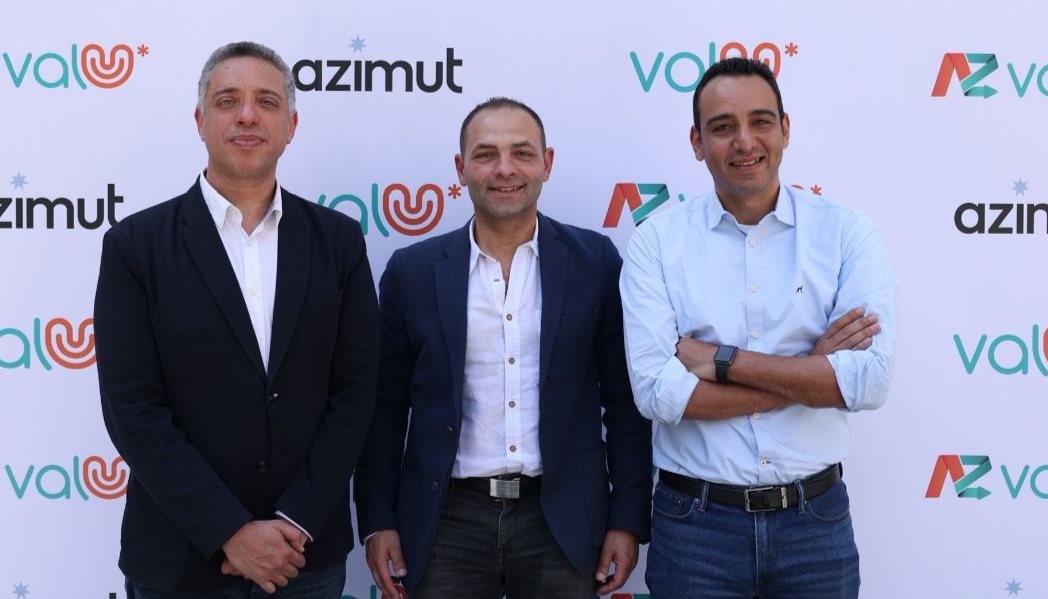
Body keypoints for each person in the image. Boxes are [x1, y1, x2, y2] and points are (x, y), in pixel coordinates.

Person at [94, 41, 379, 597]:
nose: (247, 115)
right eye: (228, 100)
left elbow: (356, 392)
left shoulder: (338, 241)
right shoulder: (135, 246)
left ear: (291, 125)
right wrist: (229, 531)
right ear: (201, 121)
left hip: (305, 560)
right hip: (179, 561)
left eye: (266, 101)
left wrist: (296, 520)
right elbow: (131, 408)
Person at [620, 57, 897, 598]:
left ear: (785, 130)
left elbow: (868, 382)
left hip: (815, 525)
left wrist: (722, 361)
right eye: (723, 127)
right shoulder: (657, 242)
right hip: (695, 526)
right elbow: (658, 393)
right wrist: (811, 371)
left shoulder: (846, 234)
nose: (744, 141)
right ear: (697, 142)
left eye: (761, 121)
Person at [354, 97, 652, 599]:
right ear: (461, 168)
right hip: (446, 521)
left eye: (522, 152)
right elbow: (384, 409)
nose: (505, 169)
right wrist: (378, 520)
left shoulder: (595, 262)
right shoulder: (412, 272)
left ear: (547, 163)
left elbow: (625, 404)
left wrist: (626, 518)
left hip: (562, 519)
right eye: (486, 154)